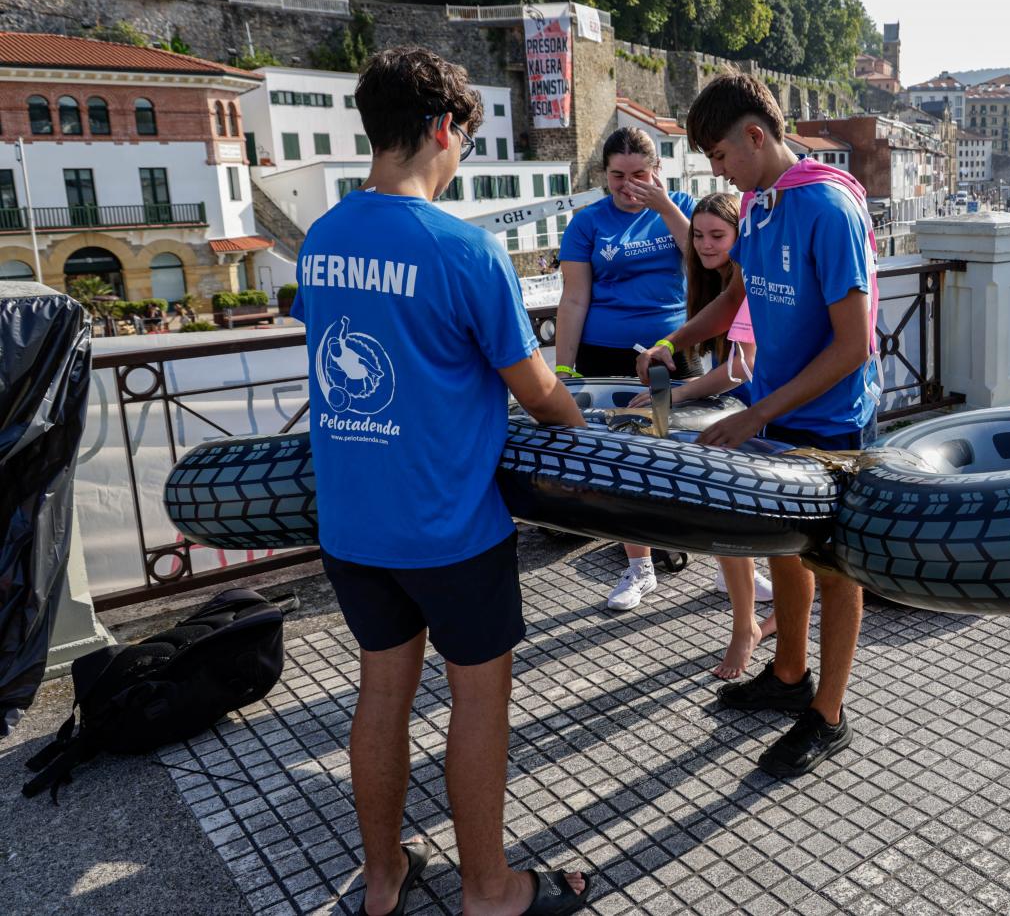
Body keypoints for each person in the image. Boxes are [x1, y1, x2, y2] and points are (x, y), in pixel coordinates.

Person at [291, 46, 591, 916]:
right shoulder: (465, 250)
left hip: (353, 524)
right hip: (451, 527)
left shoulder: (322, 239)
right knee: (478, 702)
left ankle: (384, 880)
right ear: (440, 130)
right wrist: (585, 438)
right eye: (463, 137)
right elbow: (536, 389)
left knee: (382, 692)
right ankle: (489, 889)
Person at [637, 73, 880, 778]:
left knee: (836, 569)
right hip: (777, 412)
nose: (718, 171)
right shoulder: (759, 202)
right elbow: (738, 296)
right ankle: (789, 674)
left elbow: (853, 346)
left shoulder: (828, 208)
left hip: (833, 423)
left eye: (720, 155)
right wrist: (674, 342)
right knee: (784, 549)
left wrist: (756, 413)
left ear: (754, 135)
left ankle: (828, 714)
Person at [630, 191, 776, 677]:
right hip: (747, 407)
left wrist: (676, 395)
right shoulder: (715, 279)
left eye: (718, 235)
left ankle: (752, 620)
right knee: (729, 518)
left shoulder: (746, 280)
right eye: (698, 236)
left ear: (740, 237)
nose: (706, 244)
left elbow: (741, 369)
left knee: (736, 519)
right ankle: (749, 609)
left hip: (761, 409)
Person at [554, 127, 695, 611]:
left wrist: (665, 207)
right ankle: (640, 566)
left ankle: (716, 557)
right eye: (618, 175)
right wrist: (565, 369)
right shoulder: (588, 222)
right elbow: (574, 298)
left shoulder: (680, 207)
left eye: (639, 174)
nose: (628, 185)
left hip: (671, 350)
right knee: (620, 459)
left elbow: (706, 265)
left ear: (657, 171)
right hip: (606, 354)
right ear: (604, 174)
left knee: (683, 450)